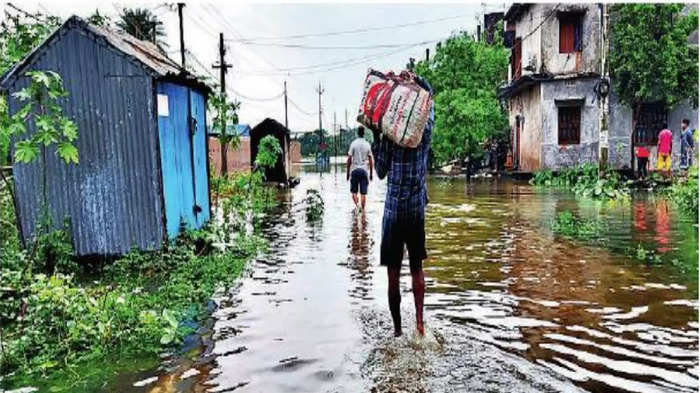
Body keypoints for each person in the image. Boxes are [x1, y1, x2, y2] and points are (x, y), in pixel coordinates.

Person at [371, 75, 433, 337]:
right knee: (417, 267)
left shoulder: (390, 135)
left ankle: (397, 331)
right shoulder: (425, 131)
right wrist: (417, 80)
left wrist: (377, 136)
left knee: (393, 274)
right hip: (416, 211)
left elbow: (382, 172)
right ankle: (419, 323)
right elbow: (431, 99)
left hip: (393, 214)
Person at [346, 126, 373, 211]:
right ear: (364, 133)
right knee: (363, 194)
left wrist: (347, 173)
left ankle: (357, 206)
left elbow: (349, 159)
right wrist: (371, 173)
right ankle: (363, 213)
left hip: (354, 170)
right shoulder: (367, 144)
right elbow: (371, 160)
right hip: (364, 171)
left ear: (357, 133)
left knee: (354, 192)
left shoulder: (353, 144)